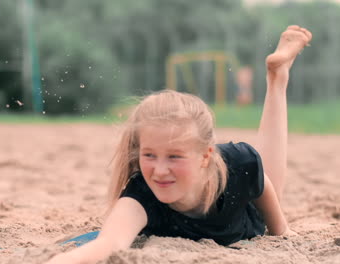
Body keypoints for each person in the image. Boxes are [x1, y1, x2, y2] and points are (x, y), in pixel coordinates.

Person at [46, 25, 312, 264]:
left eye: (174, 157)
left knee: (271, 181)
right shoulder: (142, 196)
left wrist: (281, 230)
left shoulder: (238, 163)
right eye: (150, 155)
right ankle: (277, 78)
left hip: (246, 214)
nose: (160, 170)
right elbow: (108, 244)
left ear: (206, 156)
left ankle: (277, 80)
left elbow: (260, 179)